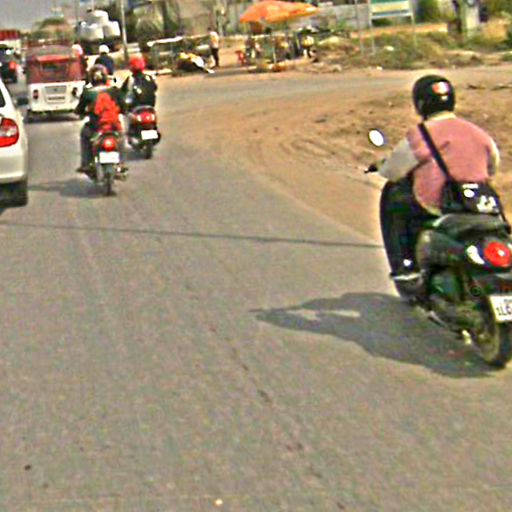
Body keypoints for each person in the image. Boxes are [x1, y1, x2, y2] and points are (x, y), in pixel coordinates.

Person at [377, 74, 500, 281]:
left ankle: (405, 265)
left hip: (438, 203)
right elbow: (493, 165)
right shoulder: (478, 132)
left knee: (394, 195)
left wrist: (382, 166)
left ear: (420, 104)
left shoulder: (422, 135)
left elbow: (394, 171)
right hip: (478, 201)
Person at [75, 64, 126, 175]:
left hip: (95, 127)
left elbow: (79, 109)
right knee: (121, 137)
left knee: (84, 135)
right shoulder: (114, 90)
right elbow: (123, 106)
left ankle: (86, 163)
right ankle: (121, 163)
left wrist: (82, 113)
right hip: (113, 126)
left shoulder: (87, 92)